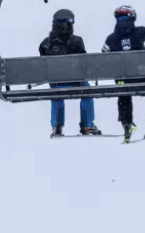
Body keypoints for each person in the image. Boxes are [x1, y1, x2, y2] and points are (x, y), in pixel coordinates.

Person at [103, 5, 145, 140]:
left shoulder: (111, 38)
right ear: (132, 18)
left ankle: (126, 123)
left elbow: (104, 56)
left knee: (123, 90)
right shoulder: (138, 32)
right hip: (142, 76)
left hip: (123, 79)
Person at [39, 9, 102, 137]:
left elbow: (43, 65)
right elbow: (84, 63)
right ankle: (87, 125)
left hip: (56, 83)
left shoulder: (45, 44)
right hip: (76, 82)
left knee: (56, 93)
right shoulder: (76, 41)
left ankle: (56, 126)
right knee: (87, 92)